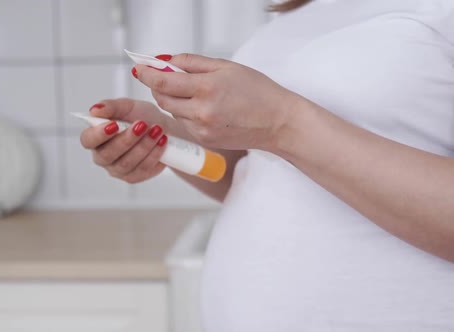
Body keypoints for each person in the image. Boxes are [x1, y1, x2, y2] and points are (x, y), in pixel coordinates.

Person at [79, 0, 454, 330]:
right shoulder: (300, 12)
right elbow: (258, 173)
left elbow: (285, 133)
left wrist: (282, 122)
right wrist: (166, 140)